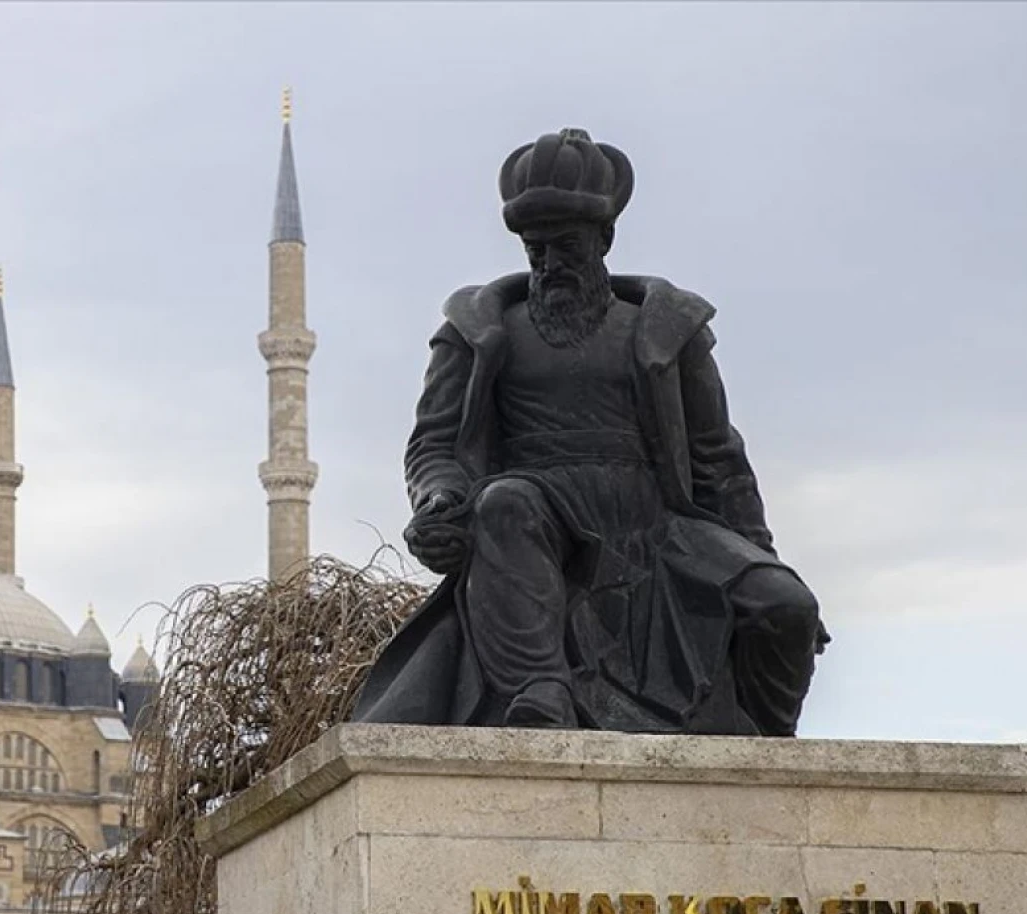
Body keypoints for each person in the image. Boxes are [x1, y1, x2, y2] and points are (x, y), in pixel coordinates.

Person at [354, 128, 826, 735]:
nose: (550, 264)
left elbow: (719, 461)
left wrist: (758, 552)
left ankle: (765, 749)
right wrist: (439, 499)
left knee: (786, 607)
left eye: (567, 246)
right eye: (536, 249)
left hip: (656, 524)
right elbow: (435, 447)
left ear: (604, 239)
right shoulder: (476, 332)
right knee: (503, 501)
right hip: (540, 515)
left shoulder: (665, 332)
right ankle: (539, 689)